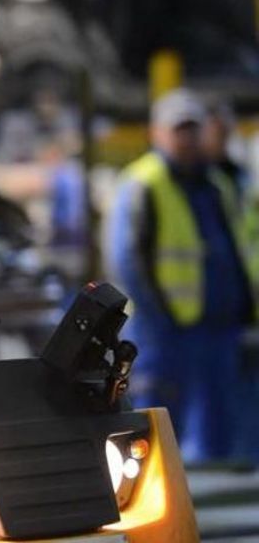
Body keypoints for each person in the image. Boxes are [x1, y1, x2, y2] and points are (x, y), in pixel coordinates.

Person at [108, 88, 257, 463]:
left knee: (217, 423)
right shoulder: (143, 183)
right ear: (157, 134)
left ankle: (216, 490)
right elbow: (127, 259)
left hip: (219, 325)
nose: (188, 138)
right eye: (179, 129)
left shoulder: (216, 183)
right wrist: (159, 316)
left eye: (194, 129)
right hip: (167, 331)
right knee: (162, 427)